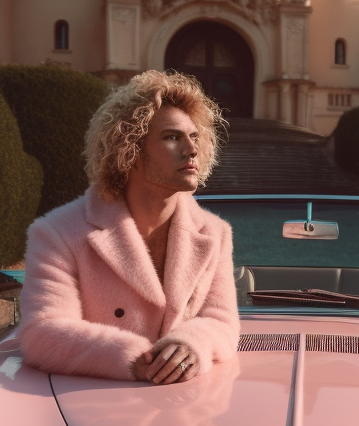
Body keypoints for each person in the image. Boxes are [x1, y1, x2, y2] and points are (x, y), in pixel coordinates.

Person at [18, 70, 239, 384]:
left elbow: (222, 322)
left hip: (187, 409)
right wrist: (132, 357)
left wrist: (192, 344)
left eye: (194, 137)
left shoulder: (215, 233)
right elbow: (41, 331)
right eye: (172, 137)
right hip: (93, 408)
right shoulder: (57, 233)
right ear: (129, 150)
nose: (192, 150)